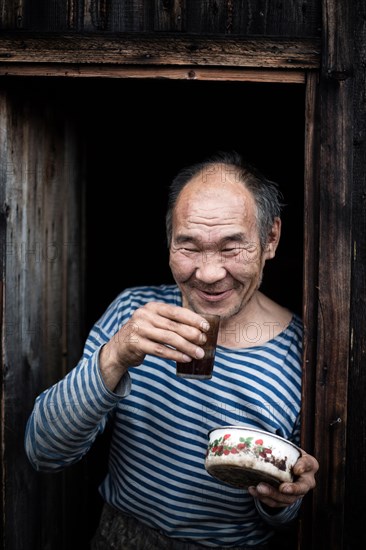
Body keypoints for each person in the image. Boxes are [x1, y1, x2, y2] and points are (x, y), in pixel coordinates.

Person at [25, 150, 319, 549]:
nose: (209, 274)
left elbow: (295, 519)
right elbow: (43, 451)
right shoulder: (132, 311)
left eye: (231, 247)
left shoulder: (305, 354)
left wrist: (281, 501)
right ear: (168, 241)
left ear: (270, 239)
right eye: (190, 247)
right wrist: (114, 356)